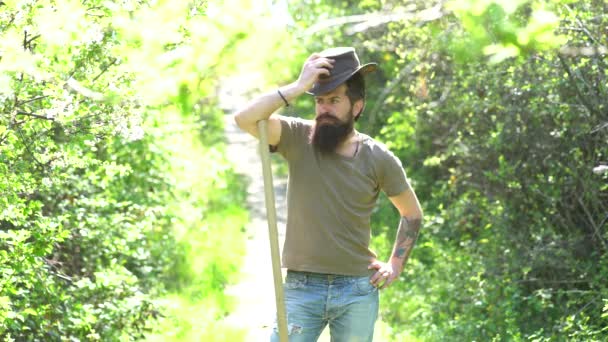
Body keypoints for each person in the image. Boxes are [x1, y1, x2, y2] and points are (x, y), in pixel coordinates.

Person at [234, 47, 423, 342]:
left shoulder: (378, 157)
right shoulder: (297, 137)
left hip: (357, 291)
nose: (324, 108)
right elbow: (245, 118)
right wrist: (298, 87)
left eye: (334, 100)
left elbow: (412, 213)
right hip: (302, 287)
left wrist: (395, 265)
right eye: (320, 101)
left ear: (356, 107)